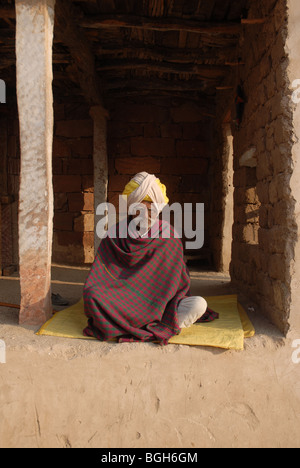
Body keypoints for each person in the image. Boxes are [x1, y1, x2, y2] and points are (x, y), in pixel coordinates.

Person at [83, 172, 217, 345]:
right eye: (140, 209)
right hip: (124, 299)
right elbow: (101, 276)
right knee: (91, 295)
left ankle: (149, 323)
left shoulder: (169, 237)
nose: (145, 215)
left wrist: (155, 302)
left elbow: (178, 285)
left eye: (151, 209)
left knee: (198, 304)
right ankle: (155, 325)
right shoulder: (115, 234)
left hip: (159, 305)